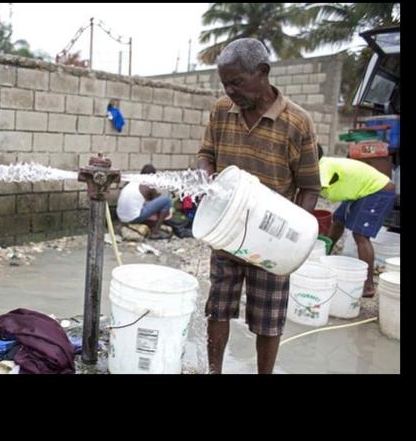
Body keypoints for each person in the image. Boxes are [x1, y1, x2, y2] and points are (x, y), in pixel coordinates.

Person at [197, 38, 321, 374]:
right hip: (227, 231)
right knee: (218, 310)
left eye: (236, 82)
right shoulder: (222, 111)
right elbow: (206, 154)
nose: (230, 90)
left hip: (271, 240)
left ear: (262, 72)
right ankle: (214, 371)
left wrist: (293, 234)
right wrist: (206, 176)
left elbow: (310, 187)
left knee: (268, 320)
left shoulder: (298, 123)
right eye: (225, 83)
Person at [318, 144, 396, 297]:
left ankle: (368, 286)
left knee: (360, 235)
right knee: (338, 220)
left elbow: (312, 191)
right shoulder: (322, 164)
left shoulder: (323, 168)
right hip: (361, 192)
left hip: (378, 190)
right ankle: (323, 258)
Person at [116, 164, 172, 239]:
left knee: (144, 206)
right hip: (133, 218)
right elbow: (156, 199)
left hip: (121, 217)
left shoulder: (130, 182)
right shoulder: (148, 185)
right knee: (167, 201)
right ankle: (155, 232)